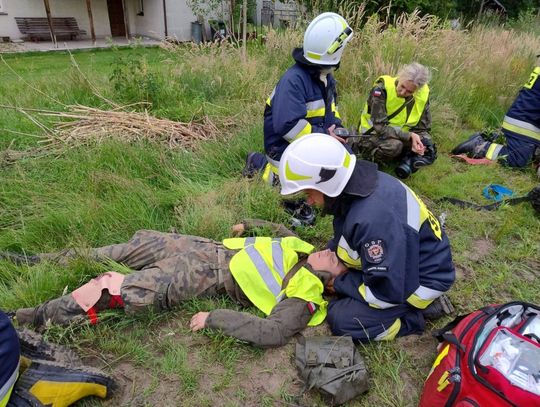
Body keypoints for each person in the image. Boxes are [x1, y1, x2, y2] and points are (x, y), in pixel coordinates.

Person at [6, 221, 348, 348]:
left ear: (333, 284)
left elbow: (272, 333)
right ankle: (40, 262)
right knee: (124, 249)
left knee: (109, 292)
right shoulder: (304, 247)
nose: (330, 252)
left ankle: (21, 318)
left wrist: (214, 318)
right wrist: (248, 224)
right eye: (335, 250)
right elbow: (279, 231)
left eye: (338, 261)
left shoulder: (307, 294)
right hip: (203, 247)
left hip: (203, 277)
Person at [278, 134, 455, 342]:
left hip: (418, 283)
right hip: (404, 259)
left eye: (308, 191)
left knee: (343, 319)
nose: (308, 199)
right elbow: (351, 238)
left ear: (328, 183)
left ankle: (414, 317)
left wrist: (341, 282)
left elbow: (385, 292)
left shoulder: (372, 218)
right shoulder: (357, 188)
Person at [242, 12, 353, 185]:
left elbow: (331, 110)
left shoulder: (325, 76)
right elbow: (288, 127)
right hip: (284, 146)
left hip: (313, 141)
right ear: (332, 51)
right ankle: (257, 163)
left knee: (344, 166)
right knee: (297, 189)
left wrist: (337, 130)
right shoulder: (293, 81)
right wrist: (325, 136)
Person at [452, 59, 540, 175]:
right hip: (525, 123)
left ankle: (491, 137)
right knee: (517, 159)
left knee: (527, 155)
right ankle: (479, 146)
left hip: (524, 117)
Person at [351, 62, 437, 179]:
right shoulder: (381, 90)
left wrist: (423, 143)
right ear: (400, 76)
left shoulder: (422, 95)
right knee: (395, 146)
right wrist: (409, 136)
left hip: (398, 135)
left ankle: (406, 160)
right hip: (371, 135)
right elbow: (380, 127)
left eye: (409, 92)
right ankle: (370, 158)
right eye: (402, 86)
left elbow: (423, 128)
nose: (402, 92)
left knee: (427, 146)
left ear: (417, 90)